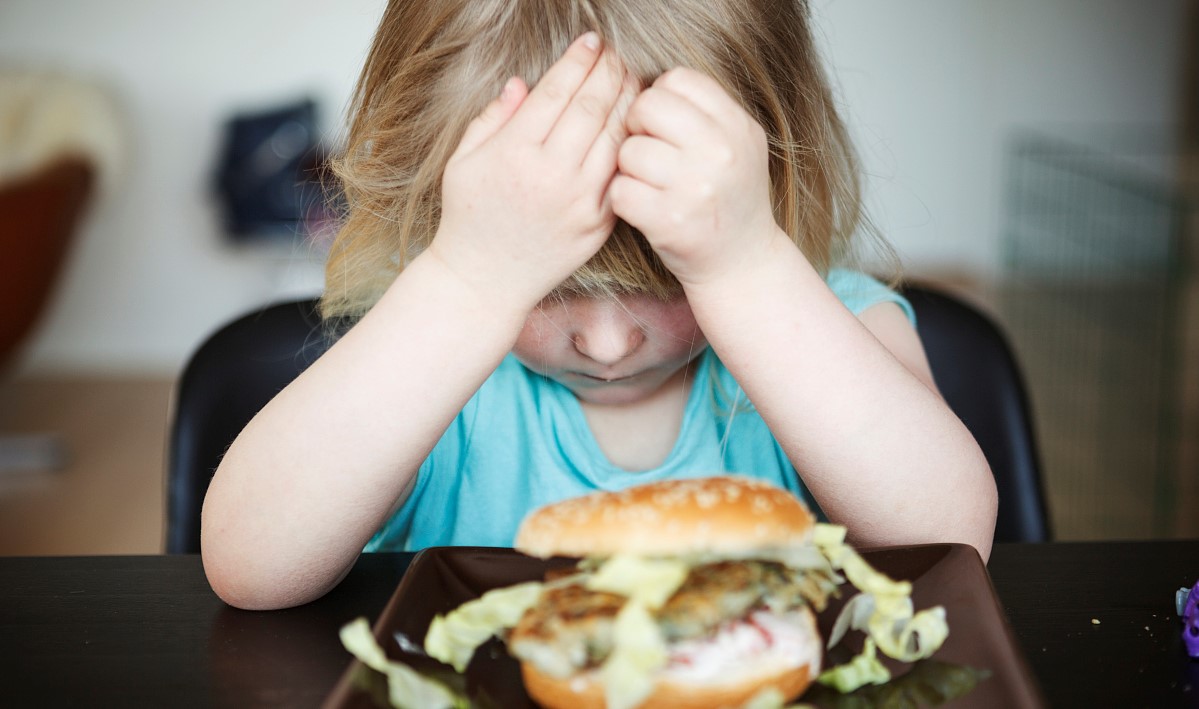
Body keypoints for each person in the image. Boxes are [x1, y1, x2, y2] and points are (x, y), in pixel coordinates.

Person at [201, 0, 998, 611]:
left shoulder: (826, 322)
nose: (609, 344)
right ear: (437, 217)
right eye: (547, 288)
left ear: (770, 191)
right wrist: (470, 284)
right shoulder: (428, 354)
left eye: (669, 277)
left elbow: (949, 543)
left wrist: (747, 273)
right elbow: (251, 564)